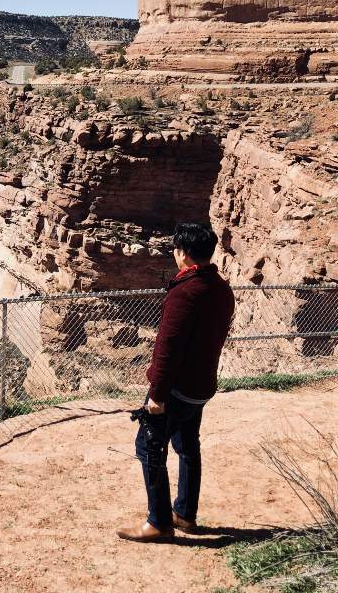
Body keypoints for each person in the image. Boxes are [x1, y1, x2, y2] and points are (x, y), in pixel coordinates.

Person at [117, 222, 235, 543]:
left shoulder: (185, 292)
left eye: (176, 249)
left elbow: (167, 348)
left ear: (183, 253)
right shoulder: (221, 289)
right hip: (201, 386)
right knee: (187, 446)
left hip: (176, 389)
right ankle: (184, 513)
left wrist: (157, 394)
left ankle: (159, 522)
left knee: (148, 447)